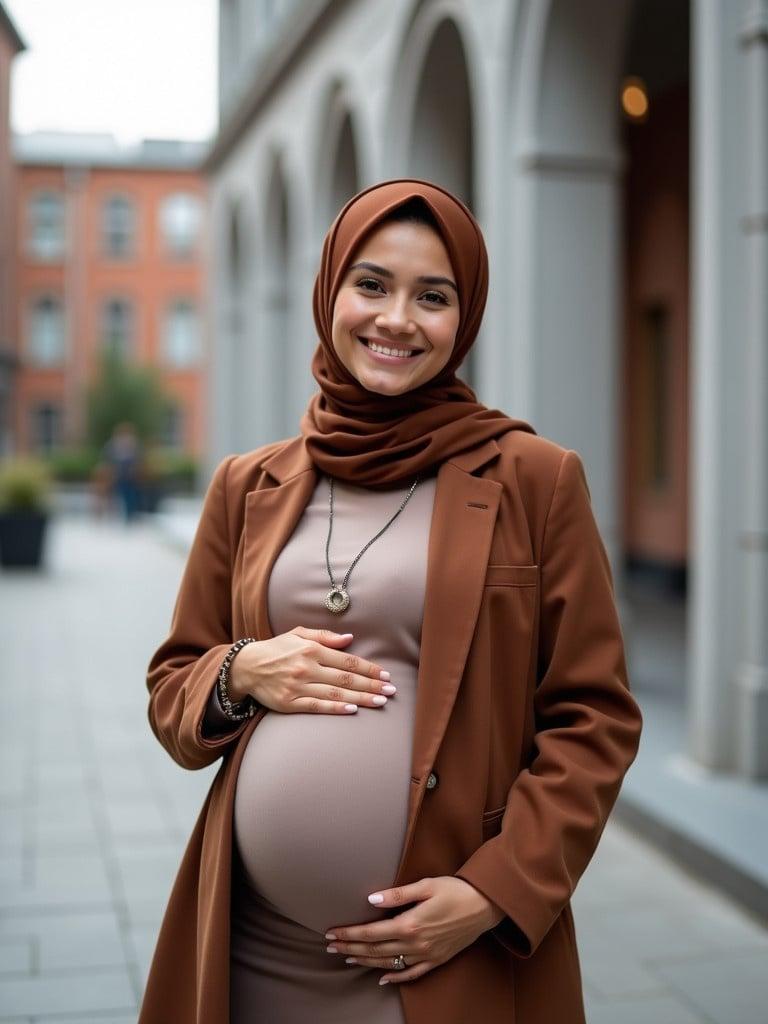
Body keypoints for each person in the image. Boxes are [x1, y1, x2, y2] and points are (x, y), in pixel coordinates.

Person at [138, 179, 643, 1024]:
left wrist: (494, 892)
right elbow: (173, 689)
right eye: (371, 284)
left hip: (448, 958)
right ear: (330, 290)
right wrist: (240, 671)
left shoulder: (534, 478)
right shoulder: (247, 484)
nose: (397, 319)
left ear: (466, 316)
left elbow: (595, 717)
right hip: (255, 950)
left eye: (432, 296)